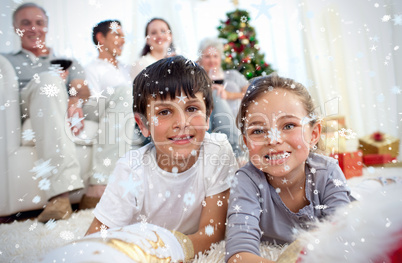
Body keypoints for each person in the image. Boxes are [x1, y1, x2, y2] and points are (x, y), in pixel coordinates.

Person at [85, 55, 238, 261]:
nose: (181, 122)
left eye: (192, 108)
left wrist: (166, 253)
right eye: (165, 112)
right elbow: (93, 242)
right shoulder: (132, 169)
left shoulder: (217, 151)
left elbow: (213, 232)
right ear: (143, 125)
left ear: (208, 115)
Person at [3, 3, 133, 222]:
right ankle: (60, 196)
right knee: (48, 79)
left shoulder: (68, 61)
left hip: (68, 102)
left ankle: (98, 186)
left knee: (124, 93)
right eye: (26, 23)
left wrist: (74, 100)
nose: (33, 28)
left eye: (39, 23)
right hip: (32, 104)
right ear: (16, 27)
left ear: (46, 27)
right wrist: (54, 83)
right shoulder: (7, 61)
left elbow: (82, 88)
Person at [225, 74, 351, 263]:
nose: (274, 139)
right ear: (246, 141)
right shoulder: (246, 181)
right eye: (258, 131)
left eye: (288, 125)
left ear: (314, 133)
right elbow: (238, 256)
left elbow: (347, 240)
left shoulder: (328, 173)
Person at [198, 37, 249, 117]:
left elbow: (250, 93)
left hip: (240, 120)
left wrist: (228, 95)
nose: (212, 60)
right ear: (200, 59)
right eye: (207, 56)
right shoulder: (198, 82)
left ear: (220, 58)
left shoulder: (233, 75)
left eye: (215, 56)